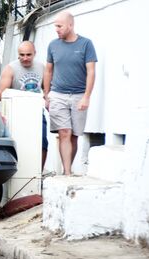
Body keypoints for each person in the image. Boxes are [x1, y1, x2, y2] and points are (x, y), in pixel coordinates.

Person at [43, 11, 97, 175]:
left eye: (59, 26)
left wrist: (87, 97)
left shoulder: (86, 44)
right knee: (64, 132)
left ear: (70, 25)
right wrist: (47, 95)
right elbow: (48, 71)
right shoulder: (53, 45)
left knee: (74, 135)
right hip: (58, 95)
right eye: (55, 26)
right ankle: (67, 172)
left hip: (79, 95)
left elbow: (91, 72)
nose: (56, 29)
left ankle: (69, 168)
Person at [0, 40, 48, 169]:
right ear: (18, 54)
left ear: (34, 53)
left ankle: (38, 174)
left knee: (42, 144)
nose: (25, 58)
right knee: (19, 145)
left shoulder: (41, 68)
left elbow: (47, 90)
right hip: (17, 113)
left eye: (28, 55)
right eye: (22, 55)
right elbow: (1, 94)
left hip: (36, 112)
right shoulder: (10, 69)